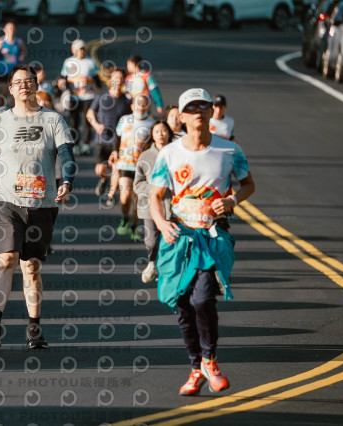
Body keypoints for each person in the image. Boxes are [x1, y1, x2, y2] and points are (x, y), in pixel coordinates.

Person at [149, 88, 255, 396]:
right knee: (182, 304)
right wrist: (162, 224)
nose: (198, 111)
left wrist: (232, 200)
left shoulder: (229, 149)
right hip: (179, 237)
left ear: (211, 112)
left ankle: (210, 360)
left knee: (203, 299)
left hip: (212, 237)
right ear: (181, 117)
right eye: (191, 107)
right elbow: (155, 197)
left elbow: (248, 184)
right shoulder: (169, 153)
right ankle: (196, 368)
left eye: (203, 106)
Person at [0, 64, 77, 349]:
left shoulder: (53, 120)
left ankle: (34, 328)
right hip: (6, 202)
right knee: (7, 260)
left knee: (31, 266)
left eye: (29, 81)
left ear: (36, 85)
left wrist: (67, 182)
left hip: (42, 203)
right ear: (10, 89)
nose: (24, 85)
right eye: (18, 82)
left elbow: (67, 157)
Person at [109, 94, 154, 242]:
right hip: (125, 164)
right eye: (138, 103)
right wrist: (114, 151)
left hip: (142, 167)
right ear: (132, 105)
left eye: (144, 104)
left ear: (148, 106)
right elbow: (117, 136)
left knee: (138, 200)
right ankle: (125, 218)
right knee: (125, 195)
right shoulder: (125, 120)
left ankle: (134, 226)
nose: (141, 106)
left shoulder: (152, 124)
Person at [133, 120, 174, 284]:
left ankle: (166, 271)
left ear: (169, 133)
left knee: (170, 240)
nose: (161, 134)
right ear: (152, 135)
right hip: (149, 206)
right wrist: (155, 190)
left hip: (172, 206)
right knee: (151, 241)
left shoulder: (177, 153)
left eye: (164, 131)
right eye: (157, 131)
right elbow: (137, 184)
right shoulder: (145, 156)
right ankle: (151, 263)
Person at [86, 68, 132, 198]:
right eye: (115, 78)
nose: (118, 81)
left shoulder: (126, 101)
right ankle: (103, 179)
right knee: (100, 169)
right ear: (111, 80)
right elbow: (89, 114)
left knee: (116, 167)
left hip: (117, 141)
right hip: (101, 139)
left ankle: (110, 195)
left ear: (123, 81)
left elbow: (130, 120)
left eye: (121, 78)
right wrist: (96, 125)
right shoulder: (101, 97)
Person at [60, 39, 101, 155]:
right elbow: (63, 77)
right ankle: (76, 144)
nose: (81, 52)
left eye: (83, 49)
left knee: (87, 121)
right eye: (79, 50)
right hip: (74, 97)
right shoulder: (68, 62)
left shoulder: (91, 61)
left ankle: (86, 145)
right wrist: (63, 85)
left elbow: (96, 77)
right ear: (73, 50)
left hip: (89, 96)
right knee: (74, 121)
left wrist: (100, 89)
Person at [0, 21, 27, 95]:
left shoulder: (19, 41)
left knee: (15, 92)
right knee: (3, 92)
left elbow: (24, 52)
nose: (11, 30)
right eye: (9, 28)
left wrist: (22, 56)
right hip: (3, 70)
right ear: (4, 29)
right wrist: (0, 52)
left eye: (13, 28)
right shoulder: (0, 41)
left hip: (15, 70)